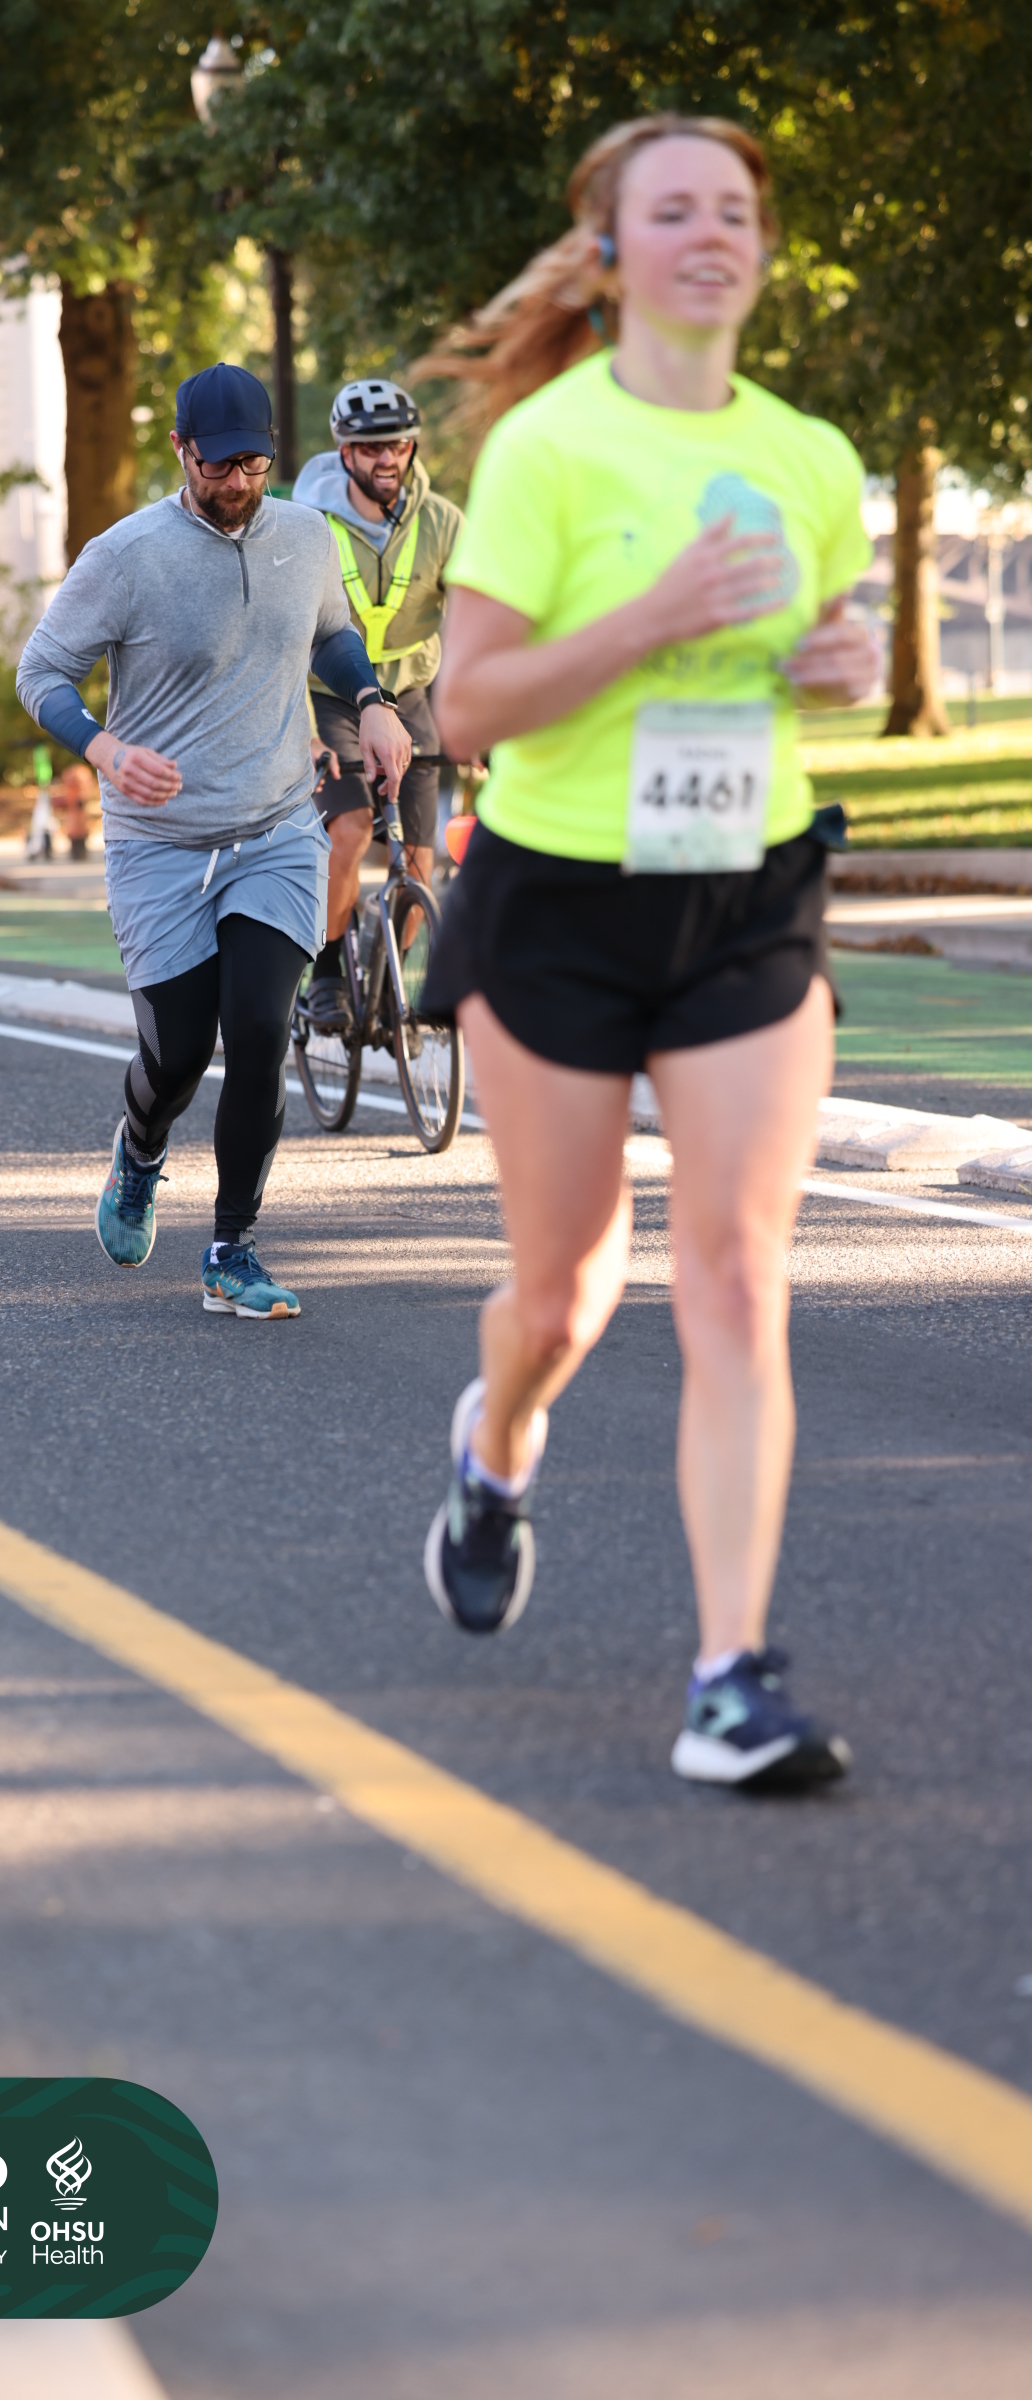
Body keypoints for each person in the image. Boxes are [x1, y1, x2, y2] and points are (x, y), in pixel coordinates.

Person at [417, 116, 881, 1789]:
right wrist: (654, 616)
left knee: (740, 1276)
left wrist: (838, 664)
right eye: (673, 209)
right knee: (565, 1291)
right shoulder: (551, 449)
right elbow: (467, 709)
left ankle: (730, 1679)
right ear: (609, 254)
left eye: (735, 209)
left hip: (748, 888)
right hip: (559, 897)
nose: (711, 233)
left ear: (763, 247)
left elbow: (820, 648)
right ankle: (498, 1446)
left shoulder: (812, 457)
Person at [17, 361, 412, 1320]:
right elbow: (41, 672)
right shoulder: (125, 555)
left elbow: (329, 632)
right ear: (180, 451)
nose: (237, 484)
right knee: (180, 1054)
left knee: (262, 1030)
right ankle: (140, 1150)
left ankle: (232, 1247)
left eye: (253, 465)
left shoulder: (306, 536)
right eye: (218, 466)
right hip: (159, 845)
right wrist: (105, 749)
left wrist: (371, 698)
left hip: (275, 829)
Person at [293, 380, 464, 1028]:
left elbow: (473, 622)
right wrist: (306, 732)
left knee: (419, 855)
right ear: (344, 453)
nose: (386, 458)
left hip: (410, 693)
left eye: (397, 445)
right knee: (353, 826)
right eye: (370, 448)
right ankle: (328, 972)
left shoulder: (443, 522)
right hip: (329, 696)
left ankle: (390, 983)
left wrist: (476, 723)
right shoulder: (307, 524)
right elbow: (288, 632)